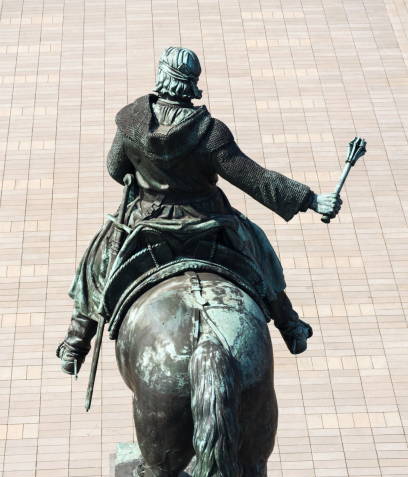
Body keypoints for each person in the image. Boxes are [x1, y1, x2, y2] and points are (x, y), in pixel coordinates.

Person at [57, 46, 342, 375]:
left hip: (145, 222)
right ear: (192, 83)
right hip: (207, 222)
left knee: (98, 257)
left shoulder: (131, 121)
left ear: (162, 76)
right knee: (257, 247)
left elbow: (113, 168)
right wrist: (310, 199)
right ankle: (289, 324)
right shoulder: (210, 132)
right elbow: (255, 178)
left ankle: (76, 342)